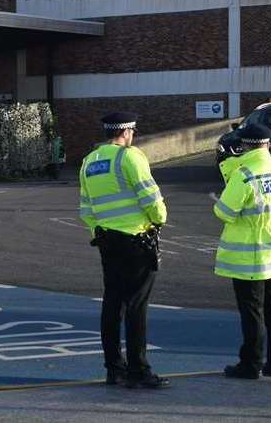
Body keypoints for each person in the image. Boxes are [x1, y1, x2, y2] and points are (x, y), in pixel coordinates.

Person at [79, 112, 170, 389]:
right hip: (135, 239)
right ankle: (138, 370)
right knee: (136, 305)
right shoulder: (130, 157)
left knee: (112, 304)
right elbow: (150, 196)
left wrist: (98, 232)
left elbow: (86, 208)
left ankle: (113, 369)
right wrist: (159, 219)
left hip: (107, 241)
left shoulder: (89, 162)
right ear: (128, 132)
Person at [214, 124, 271, 379]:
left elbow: (223, 212)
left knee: (252, 309)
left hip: (250, 253)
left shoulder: (244, 175)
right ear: (268, 144)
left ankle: (251, 364)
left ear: (243, 146)